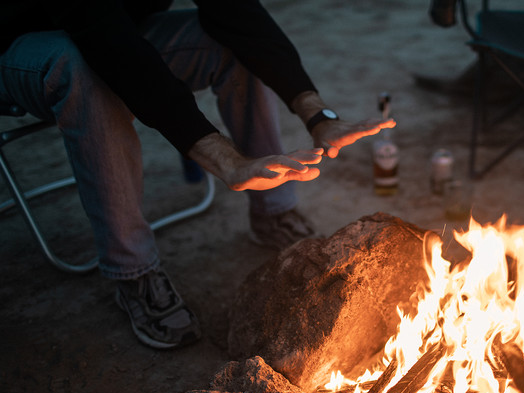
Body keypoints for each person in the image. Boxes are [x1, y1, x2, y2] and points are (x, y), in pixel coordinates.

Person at [0, 0, 395, 349]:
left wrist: (317, 114)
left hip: (124, 31)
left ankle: (274, 211)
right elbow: (107, 45)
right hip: (25, 43)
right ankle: (133, 270)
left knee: (236, 43)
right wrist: (225, 159)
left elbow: (237, 14)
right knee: (82, 66)